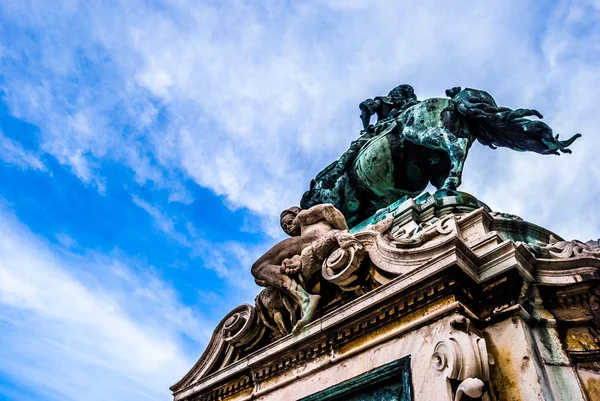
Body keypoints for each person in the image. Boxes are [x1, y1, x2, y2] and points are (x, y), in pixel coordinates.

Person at [251, 204, 349, 333]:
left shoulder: (302, 217)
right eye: (284, 227)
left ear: (296, 213)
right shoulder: (304, 230)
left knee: (257, 268)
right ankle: (295, 287)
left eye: (289, 222)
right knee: (260, 279)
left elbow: (328, 209)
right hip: (309, 243)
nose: (288, 228)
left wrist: (343, 232)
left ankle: (305, 299)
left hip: (315, 239)